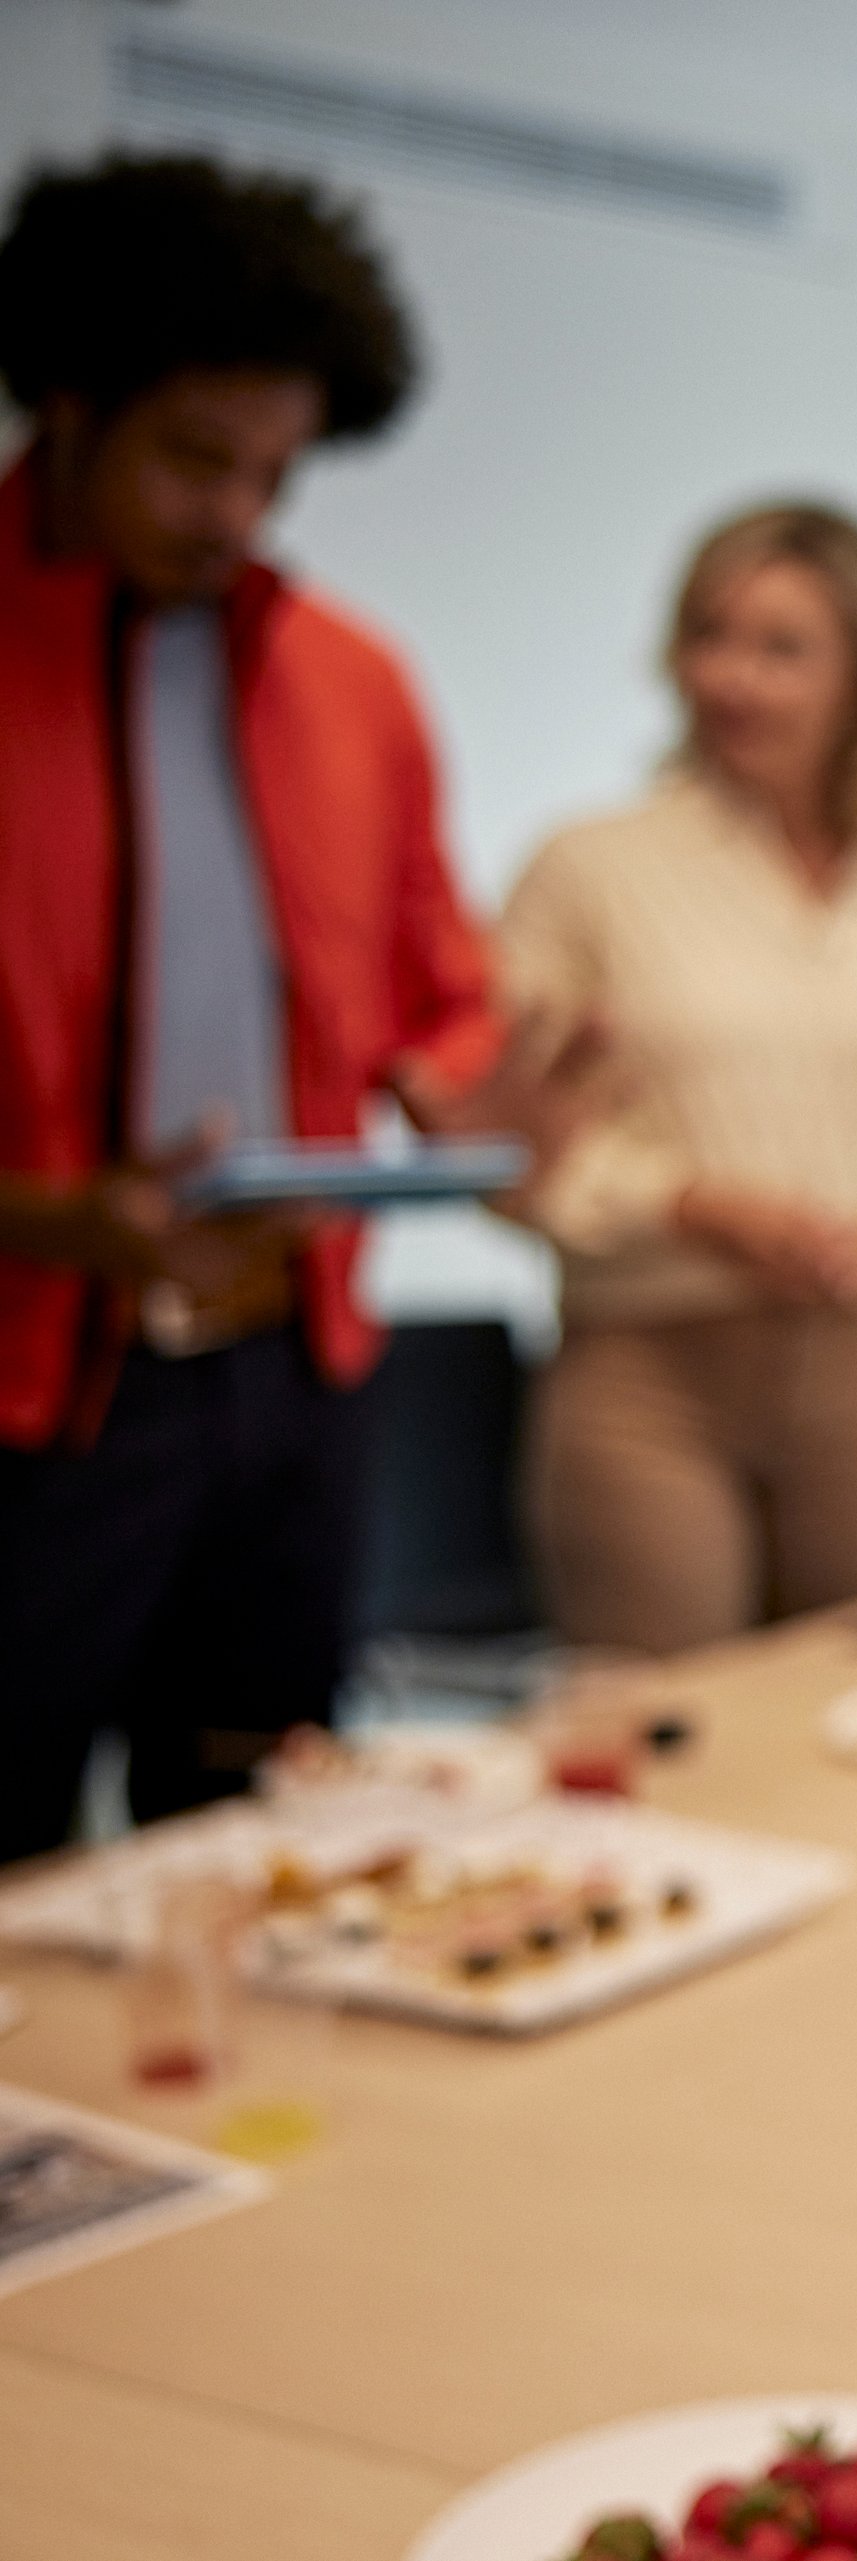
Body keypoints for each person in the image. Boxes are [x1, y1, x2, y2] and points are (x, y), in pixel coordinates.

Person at [0, 158, 513, 1861]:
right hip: (35, 1397)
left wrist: (468, 1096)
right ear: (67, 405)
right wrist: (61, 1220)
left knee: (259, 1846)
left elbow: (439, 989)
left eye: (276, 473)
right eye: (195, 458)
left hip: (291, 1380)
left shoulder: (348, 683)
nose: (238, 514)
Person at [502, 504, 857, 1655]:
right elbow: (508, 1138)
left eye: (781, 648)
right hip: (646, 1380)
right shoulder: (590, 867)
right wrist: (691, 1205)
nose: (732, 679)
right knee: (669, 1735)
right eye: (710, 636)